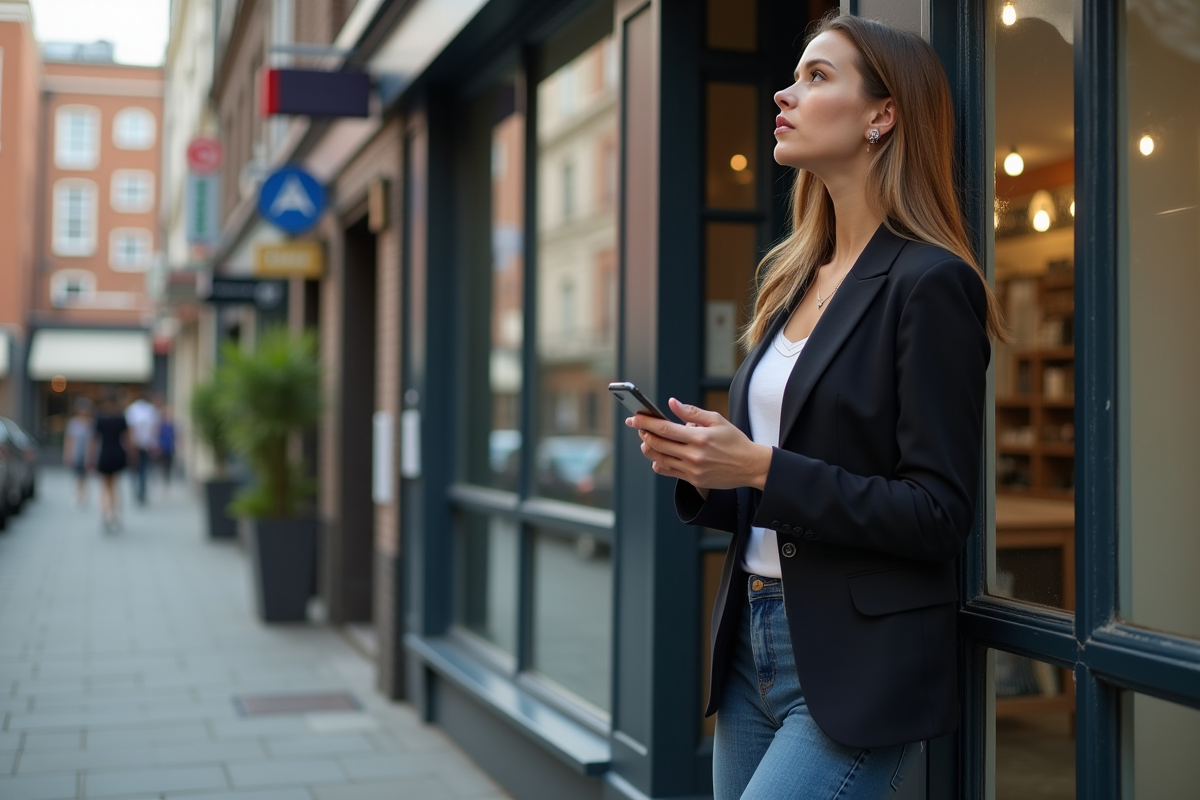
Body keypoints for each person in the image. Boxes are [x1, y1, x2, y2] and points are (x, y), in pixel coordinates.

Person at [627, 14, 1002, 800]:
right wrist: (706, 470)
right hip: (749, 647)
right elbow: (785, 487)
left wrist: (760, 465)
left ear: (883, 115)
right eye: (795, 75)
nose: (784, 92)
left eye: (817, 76)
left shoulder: (931, 285)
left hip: (856, 661)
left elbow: (937, 513)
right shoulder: (796, 279)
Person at [91, 392, 131, 533]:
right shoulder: (120, 418)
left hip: (105, 454)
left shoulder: (100, 418)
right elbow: (127, 439)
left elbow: (94, 440)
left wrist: (90, 457)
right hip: (117, 453)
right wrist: (131, 455)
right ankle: (114, 514)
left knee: (105, 486)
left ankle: (105, 513)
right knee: (115, 486)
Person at [125, 391, 159, 505]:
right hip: (145, 444)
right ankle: (140, 492)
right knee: (142, 470)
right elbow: (155, 429)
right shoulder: (150, 410)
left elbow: (130, 429)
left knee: (139, 470)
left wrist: (130, 444)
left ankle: (139, 492)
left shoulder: (132, 409)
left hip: (139, 444)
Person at [62, 397, 94, 507]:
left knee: (85, 478)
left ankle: (84, 497)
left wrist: (91, 456)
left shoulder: (91, 423)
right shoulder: (73, 423)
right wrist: (67, 454)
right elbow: (69, 439)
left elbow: (93, 441)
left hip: (87, 455)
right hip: (76, 454)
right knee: (76, 477)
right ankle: (76, 497)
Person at [157, 404, 177, 487]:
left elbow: (175, 436)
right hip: (162, 448)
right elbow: (157, 436)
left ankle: (167, 481)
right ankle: (163, 480)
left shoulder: (171, 425)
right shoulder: (160, 425)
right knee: (162, 465)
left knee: (168, 465)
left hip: (169, 447)